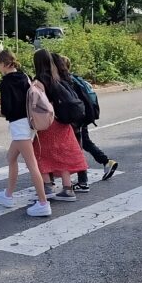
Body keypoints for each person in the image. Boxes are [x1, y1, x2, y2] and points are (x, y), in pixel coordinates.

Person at [0, 49, 51, 217]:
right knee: (11, 158)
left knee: (32, 165)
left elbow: (7, 109)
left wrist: (2, 112)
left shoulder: (6, 82)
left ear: (4, 64)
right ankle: (7, 195)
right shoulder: (24, 76)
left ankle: (43, 203)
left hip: (19, 125)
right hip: (29, 123)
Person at [52, 54, 118, 193]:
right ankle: (106, 162)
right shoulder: (74, 79)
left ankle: (83, 181)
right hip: (82, 117)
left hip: (75, 120)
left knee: (77, 148)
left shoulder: (66, 81)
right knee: (85, 142)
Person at [33, 49, 88, 202]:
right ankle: (68, 189)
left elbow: (37, 104)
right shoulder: (56, 77)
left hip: (49, 123)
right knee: (62, 155)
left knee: (39, 153)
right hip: (63, 122)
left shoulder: (38, 81)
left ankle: (47, 187)